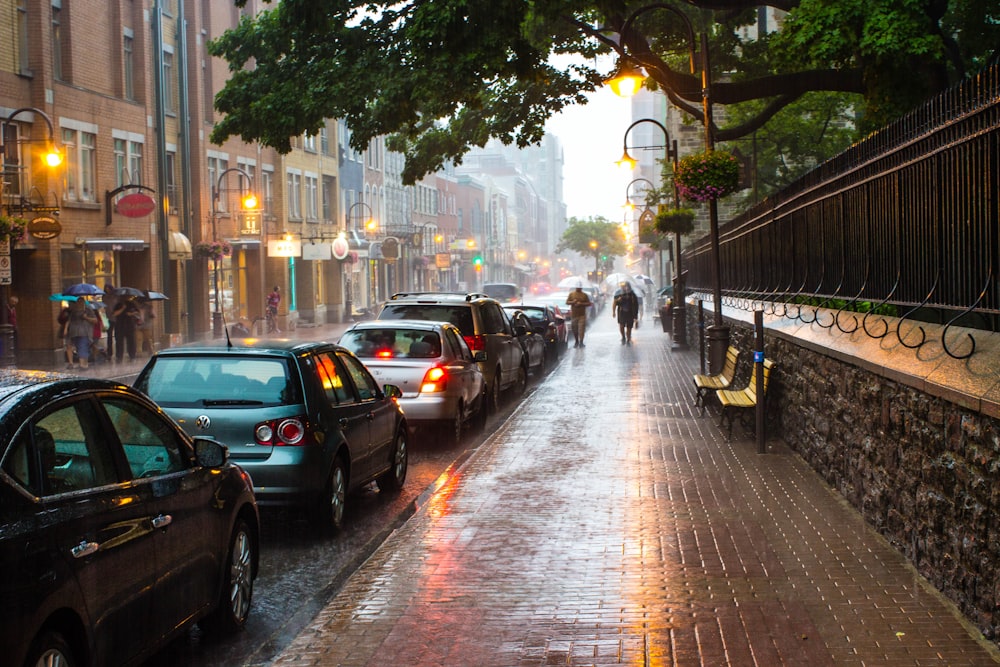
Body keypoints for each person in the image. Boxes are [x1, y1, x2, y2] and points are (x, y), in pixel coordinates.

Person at [65, 299, 97, 369]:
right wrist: (66, 329)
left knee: (82, 347)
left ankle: (83, 365)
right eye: (78, 302)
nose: (79, 304)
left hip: (84, 332)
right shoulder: (73, 311)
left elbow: (95, 320)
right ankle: (72, 363)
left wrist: (86, 318)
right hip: (73, 332)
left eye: (81, 302)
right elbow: (69, 320)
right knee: (69, 345)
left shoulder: (88, 310)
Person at [112, 295, 140, 362]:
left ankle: (132, 356)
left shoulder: (132, 304)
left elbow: (138, 311)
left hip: (130, 325)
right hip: (120, 326)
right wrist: (122, 308)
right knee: (119, 342)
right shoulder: (118, 304)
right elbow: (114, 314)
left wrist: (131, 313)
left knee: (131, 342)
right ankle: (119, 357)